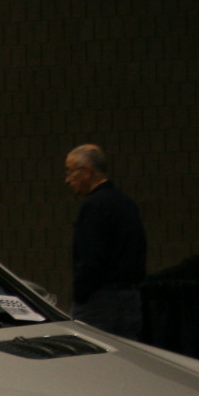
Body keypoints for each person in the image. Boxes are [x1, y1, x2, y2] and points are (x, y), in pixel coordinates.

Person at [63, 144, 146, 338]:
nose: (68, 180)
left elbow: (90, 257)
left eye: (70, 171)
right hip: (130, 299)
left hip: (99, 302)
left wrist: (81, 294)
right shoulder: (126, 203)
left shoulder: (94, 206)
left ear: (87, 171)